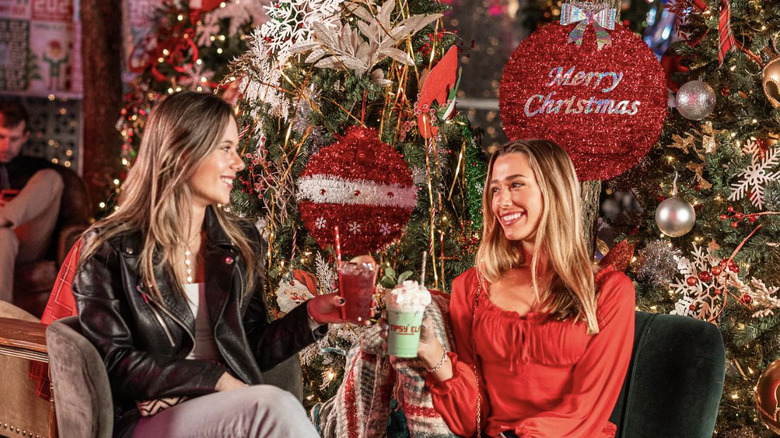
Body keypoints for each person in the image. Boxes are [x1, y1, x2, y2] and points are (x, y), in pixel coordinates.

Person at [72, 91, 354, 437]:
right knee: (272, 407)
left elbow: (246, 347)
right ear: (183, 153)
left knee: (270, 407)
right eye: (226, 148)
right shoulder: (111, 248)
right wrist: (214, 378)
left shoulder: (239, 241)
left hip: (227, 411)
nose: (239, 163)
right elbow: (112, 363)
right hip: (145, 418)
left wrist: (310, 315)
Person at [381, 139, 636, 437]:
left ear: (554, 190)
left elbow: (586, 410)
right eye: (495, 189)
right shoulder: (472, 288)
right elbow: (472, 419)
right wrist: (432, 352)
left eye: (516, 185)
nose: (501, 202)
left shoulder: (609, 290)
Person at [0, 101, 64, 303]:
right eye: (1, 137)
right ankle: (4, 317)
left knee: (51, 178)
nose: (6, 146)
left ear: (25, 137)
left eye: (14, 139)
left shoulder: (36, 168)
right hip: (3, 243)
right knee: (3, 236)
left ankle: (3, 218)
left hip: (27, 245)